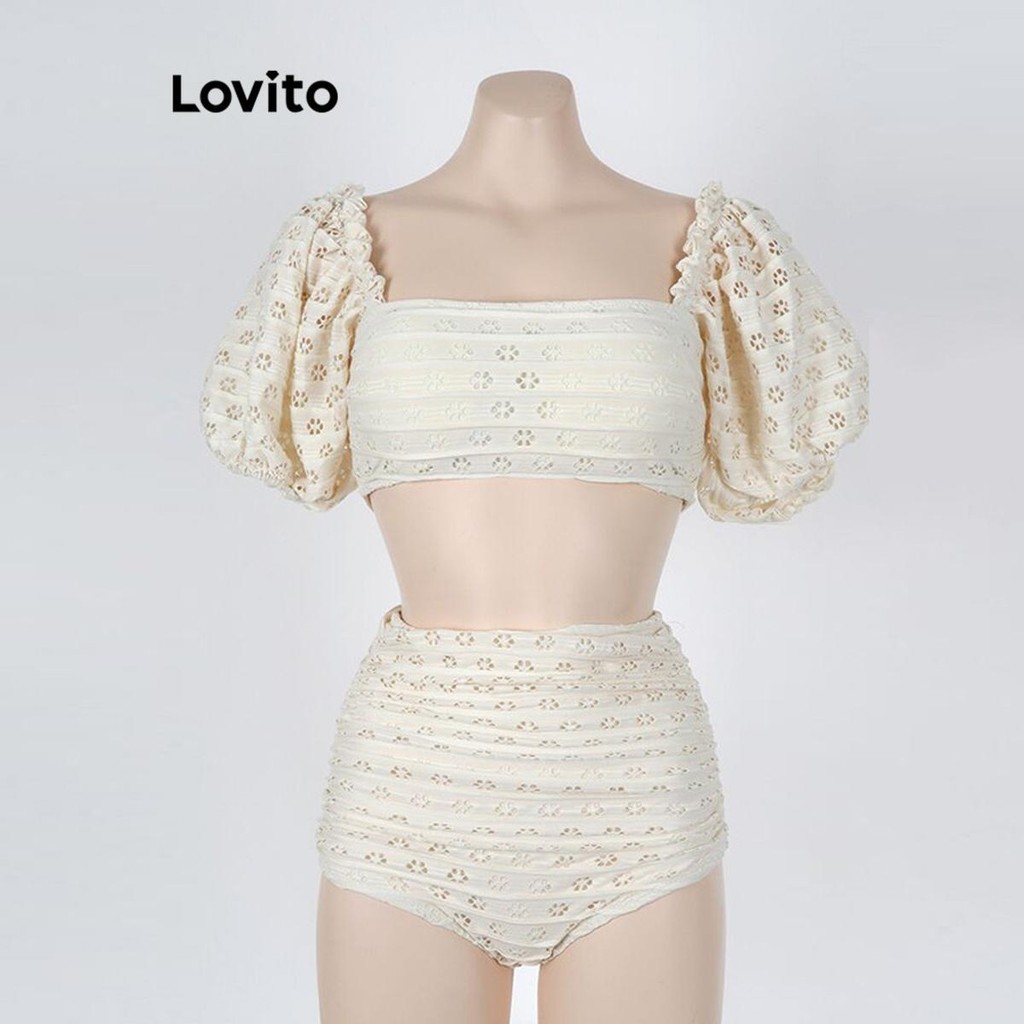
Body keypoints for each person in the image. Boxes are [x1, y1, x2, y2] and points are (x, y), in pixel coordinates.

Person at [198, 70, 869, 1024]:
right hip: (411, 784)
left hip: (633, 784)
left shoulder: (712, 247)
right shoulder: (340, 249)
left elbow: (773, 450)